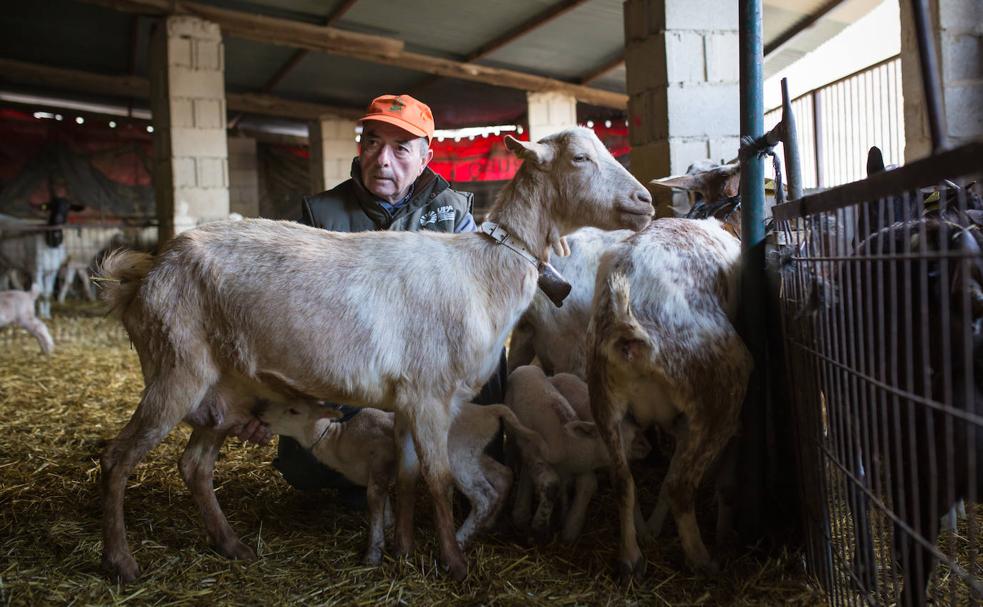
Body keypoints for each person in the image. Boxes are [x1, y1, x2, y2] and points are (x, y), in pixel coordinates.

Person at [235, 94, 507, 503]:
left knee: (491, 350)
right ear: (360, 148)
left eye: (401, 149)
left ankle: (480, 464)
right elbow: (286, 311)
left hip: (427, 363)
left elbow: (478, 297)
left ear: (425, 158)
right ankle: (371, 477)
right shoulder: (322, 215)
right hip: (347, 362)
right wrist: (265, 398)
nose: (383, 160)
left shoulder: (453, 214)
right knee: (304, 467)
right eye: (373, 143)